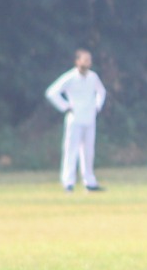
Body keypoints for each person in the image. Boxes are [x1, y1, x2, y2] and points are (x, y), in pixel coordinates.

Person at [44, 49, 107, 192]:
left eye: (89, 60)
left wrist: (98, 106)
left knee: (88, 152)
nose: (87, 63)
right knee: (71, 150)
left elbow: (101, 92)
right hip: (75, 119)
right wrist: (65, 106)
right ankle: (68, 182)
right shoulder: (70, 77)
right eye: (85, 60)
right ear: (77, 61)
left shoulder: (93, 77)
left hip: (89, 119)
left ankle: (90, 182)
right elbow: (51, 92)